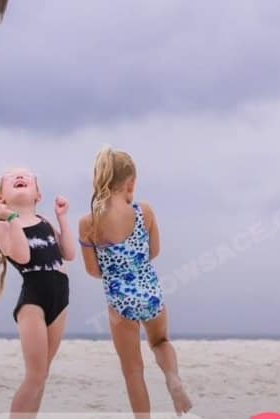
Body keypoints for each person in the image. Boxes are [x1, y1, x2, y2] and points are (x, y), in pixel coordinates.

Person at [79, 147, 192, 418]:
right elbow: (154, 251)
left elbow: (93, 271)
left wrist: (114, 270)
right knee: (160, 342)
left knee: (133, 370)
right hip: (150, 290)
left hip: (120, 301)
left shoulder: (88, 223)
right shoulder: (145, 212)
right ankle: (173, 379)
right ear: (131, 182)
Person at [0, 167, 76, 419]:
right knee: (34, 376)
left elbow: (69, 254)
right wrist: (10, 219)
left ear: (38, 195)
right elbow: (23, 255)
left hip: (61, 298)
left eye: (26, 176)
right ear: (1, 199)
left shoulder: (44, 222)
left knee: (42, 374)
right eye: (11, 178)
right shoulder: (2, 227)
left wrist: (62, 217)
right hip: (34, 301)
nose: (19, 177)